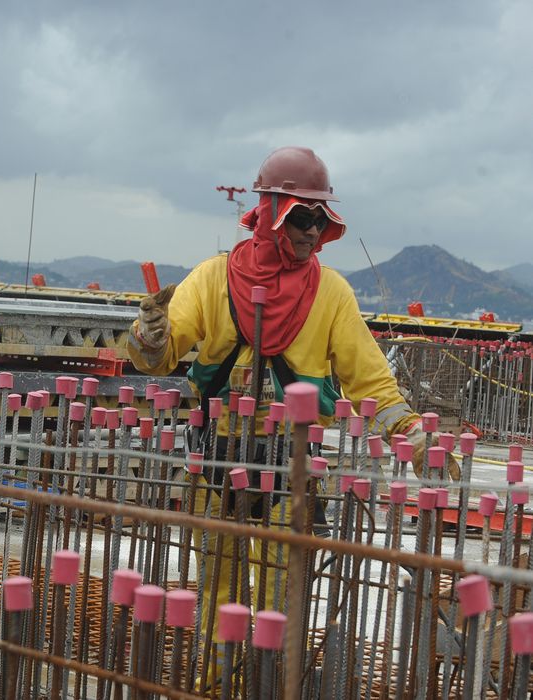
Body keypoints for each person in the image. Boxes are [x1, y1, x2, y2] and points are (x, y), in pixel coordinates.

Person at [127, 146, 455, 688]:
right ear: (272, 215)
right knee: (217, 589)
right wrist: (148, 336)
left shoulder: (330, 293)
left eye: (321, 220)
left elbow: (371, 381)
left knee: (284, 596)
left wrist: (410, 431)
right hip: (216, 456)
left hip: (291, 467)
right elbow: (159, 354)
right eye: (302, 217)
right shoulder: (212, 279)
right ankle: (218, 684)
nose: (312, 232)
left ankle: (271, 685)